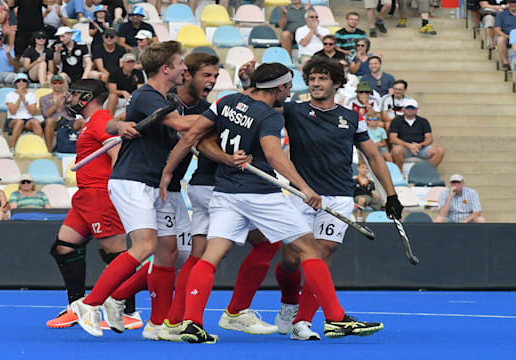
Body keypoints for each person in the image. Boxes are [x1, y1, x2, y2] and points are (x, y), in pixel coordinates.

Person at [158, 62, 385, 343]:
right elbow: (275, 156)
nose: (290, 93)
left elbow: (194, 137)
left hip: (226, 194)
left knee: (210, 258)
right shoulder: (269, 117)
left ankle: (192, 322)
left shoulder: (226, 102)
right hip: (261, 195)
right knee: (309, 251)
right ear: (278, 87)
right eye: (288, 88)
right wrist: (304, 187)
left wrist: (169, 171)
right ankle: (336, 320)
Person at [70, 41, 195, 338]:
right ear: (166, 68)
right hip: (133, 181)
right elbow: (175, 124)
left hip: (156, 184)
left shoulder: (169, 98)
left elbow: (118, 124)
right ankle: (90, 303)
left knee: (174, 251)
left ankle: (144, 314)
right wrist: (219, 118)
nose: (184, 69)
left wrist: (119, 126)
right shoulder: (146, 95)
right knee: (145, 246)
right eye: (180, 64)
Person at [272, 57, 398, 341]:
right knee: (291, 260)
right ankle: (289, 302)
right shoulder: (293, 111)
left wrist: (391, 195)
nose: (316, 83)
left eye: (322, 79)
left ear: (337, 83)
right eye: (312, 79)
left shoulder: (352, 117)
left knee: (320, 254)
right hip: (300, 194)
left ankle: (302, 322)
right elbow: (260, 111)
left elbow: (374, 156)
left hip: (339, 196)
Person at [47, 78, 139, 330]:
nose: (70, 99)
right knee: (63, 248)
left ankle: (127, 311)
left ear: (86, 97)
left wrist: (118, 193)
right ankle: (77, 306)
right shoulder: (91, 123)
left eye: (74, 95)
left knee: (115, 254)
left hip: (100, 194)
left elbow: (117, 156)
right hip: (85, 195)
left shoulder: (100, 122)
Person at [389, 99, 446, 169]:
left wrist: (420, 145)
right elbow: (392, 138)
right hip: (404, 148)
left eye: (412, 108)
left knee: (440, 150)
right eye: (407, 107)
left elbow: (429, 139)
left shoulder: (423, 121)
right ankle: (400, 172)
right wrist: (409, 145)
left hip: (421, 148)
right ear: (403, 109)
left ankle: (427, 172)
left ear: (416, 109)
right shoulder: (396, 121)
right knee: (396, 150)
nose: (409, 110)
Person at [40, 74, 85, 152]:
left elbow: (76, 111)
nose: (57, 84)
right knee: (49, 121)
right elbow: (46, 114)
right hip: (54, 121)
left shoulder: (69, 96)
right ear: (51, 84)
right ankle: (49, 150)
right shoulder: (44, 98)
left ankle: (83, 148)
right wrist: (57, 103)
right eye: (55, 82)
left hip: (67, 119)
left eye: (60, 82)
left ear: (63, 84)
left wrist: (72, 102)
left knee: (82, 121)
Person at [6, 73, 41, 150]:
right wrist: (20, 98)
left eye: (24, 81)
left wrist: (24, 100)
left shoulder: (32, 95)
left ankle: (39, 146)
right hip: (13, 119)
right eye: (18, 81)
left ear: (27, 83)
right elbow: (12, 111)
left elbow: (32, 112)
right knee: (19, 122)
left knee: (36, 122)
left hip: (28, 119)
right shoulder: (10, 95)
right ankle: (13, 147)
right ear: (15, 83)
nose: (21, 83)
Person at [494, 0, 516, 70]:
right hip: (506, 36)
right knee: (500, 39)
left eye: (515, 2)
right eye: (511, 2)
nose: (513, 4)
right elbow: (497, 30)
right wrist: (508, 37)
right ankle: (505, 63)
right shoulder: (501, 14)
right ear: (508, 4)